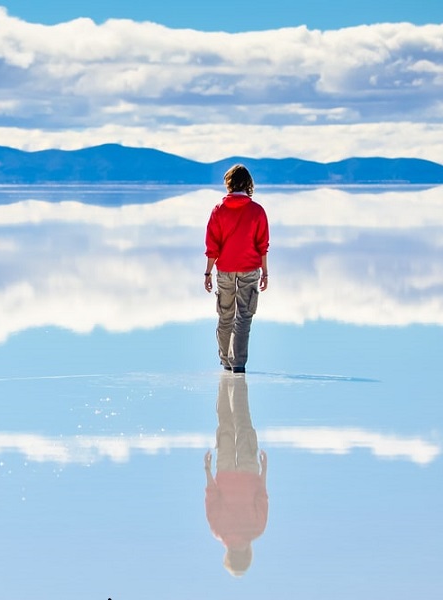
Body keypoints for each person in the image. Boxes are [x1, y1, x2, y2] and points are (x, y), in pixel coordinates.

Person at [204, 164, 270, 373]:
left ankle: (225, 361)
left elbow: (212, 245)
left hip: (224, 270)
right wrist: (265, 272)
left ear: (229, 184)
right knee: (244, 316)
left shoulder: (218, 210)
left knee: (225, 315)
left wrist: (208, 273)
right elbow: (263, 245)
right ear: (248, 184)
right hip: (250, 269)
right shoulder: (257, 211)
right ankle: (238, 364)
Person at [204, 373, 269, 577]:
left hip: (249, 471)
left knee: (242, 420)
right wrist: (207, 470)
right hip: (225, 471)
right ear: (228, 556)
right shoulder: (218, 531)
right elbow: (212, 496)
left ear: (247, 556)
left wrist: (264, 470)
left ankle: (235, 379)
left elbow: (262, 497)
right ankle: (225, 381)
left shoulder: (256, 530)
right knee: (225, 424)